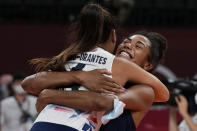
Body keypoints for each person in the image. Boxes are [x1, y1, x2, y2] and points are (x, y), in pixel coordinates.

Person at [23, 4, 169, 131]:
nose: (128, 45)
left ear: (147, 64)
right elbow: (29, 83)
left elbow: (99, 101)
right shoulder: (96, 68)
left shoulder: (144, 91)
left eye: (138, 46)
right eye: (126, 41)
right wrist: (79, 76)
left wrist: (50, 95)